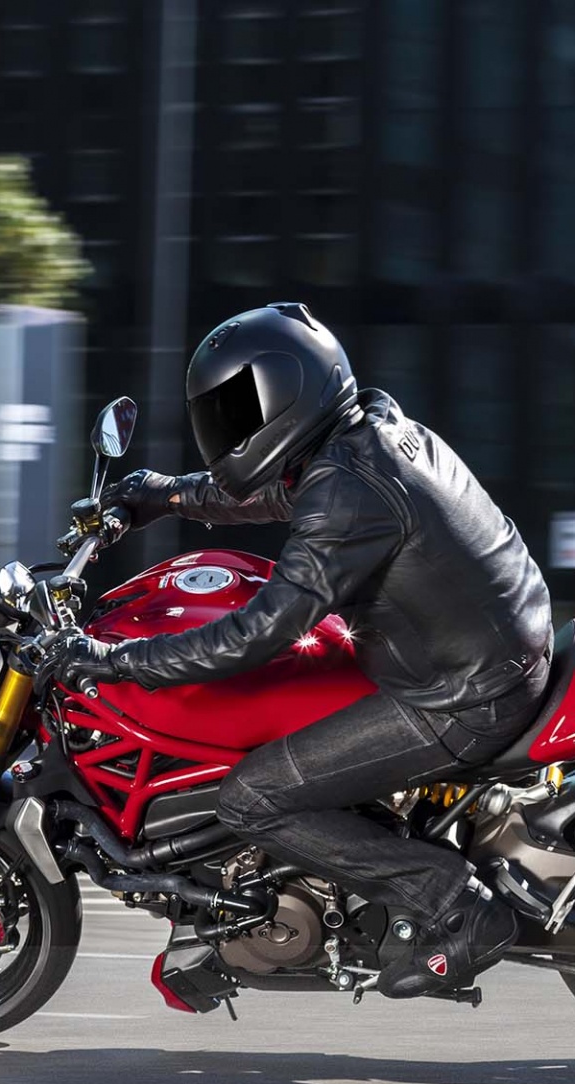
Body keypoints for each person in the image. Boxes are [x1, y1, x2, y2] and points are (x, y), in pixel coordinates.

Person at [41, 302, 553, 999]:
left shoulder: (349, 489)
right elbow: (278, 498)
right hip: (483, 654)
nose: (227, 432)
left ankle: (456, 904)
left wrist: (115, 662)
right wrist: (165, 497)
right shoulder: (365, 437)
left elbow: (257, 632)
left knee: (253, 797)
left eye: (237, 413)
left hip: (464, 696)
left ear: (288, 396)